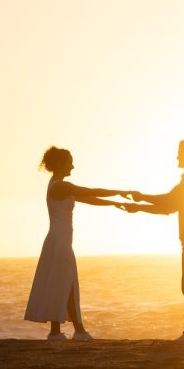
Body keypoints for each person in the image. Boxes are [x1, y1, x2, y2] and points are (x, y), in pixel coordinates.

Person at [24, 146, 130, 341]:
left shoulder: (60, 186)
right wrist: (120, 192)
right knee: (65, 282)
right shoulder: (60, 186)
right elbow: (90, 191)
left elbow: (90, 199)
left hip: (61, 240)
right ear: (61, 164)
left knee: (65, 282)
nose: (73, 165)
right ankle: (73, 331)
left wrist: (115, 203)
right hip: (59, 241)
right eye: (70, 161)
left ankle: (63, 331)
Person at [122, 139, 184, 341]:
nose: (177, 156)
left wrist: (140, 203)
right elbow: (169, 203)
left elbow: (169, 205)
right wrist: (141, 200)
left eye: (180, 152)